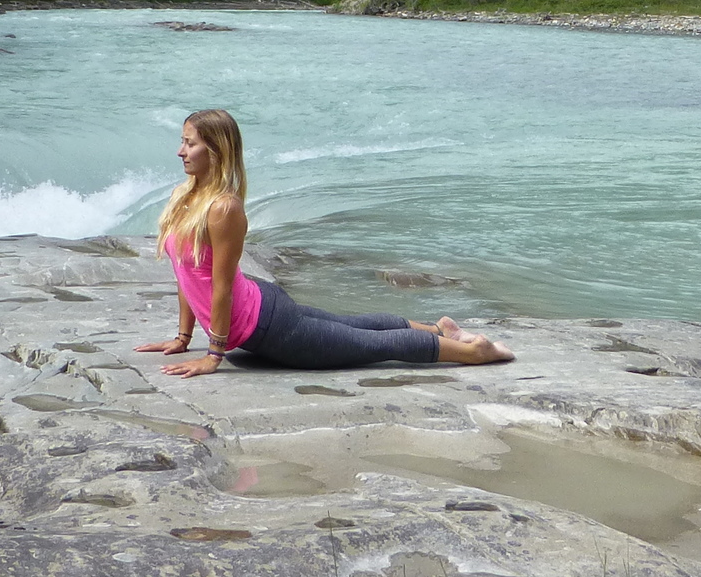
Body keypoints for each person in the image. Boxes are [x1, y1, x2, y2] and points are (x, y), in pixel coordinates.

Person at [139, 108, 513, 376]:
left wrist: (214, 355)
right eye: (182, 142)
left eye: (190, 144)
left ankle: (475, 352)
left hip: (269, 327)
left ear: (215, 152)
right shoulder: (184, 197)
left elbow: (220, 287)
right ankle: (440, 329)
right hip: (262, 305)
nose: (180, 151)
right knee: (353, 325)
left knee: (371, 346)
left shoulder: (223, 209)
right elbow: (187, 276)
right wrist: (182, 336)